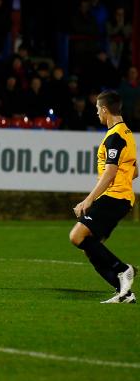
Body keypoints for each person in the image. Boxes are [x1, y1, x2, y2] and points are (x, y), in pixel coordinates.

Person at [69, 90, 137, 303]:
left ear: (105, 110)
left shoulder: (115, 136)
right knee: (90, 248)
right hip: (121, 198)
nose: (97, 112)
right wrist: (123, 180)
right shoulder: (126, 133)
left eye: (98, 109)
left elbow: (110, 172)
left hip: (114, 197)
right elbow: (135, 170)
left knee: (76, 237)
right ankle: (124, 293)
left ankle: (124, 269)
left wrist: (88, 200)